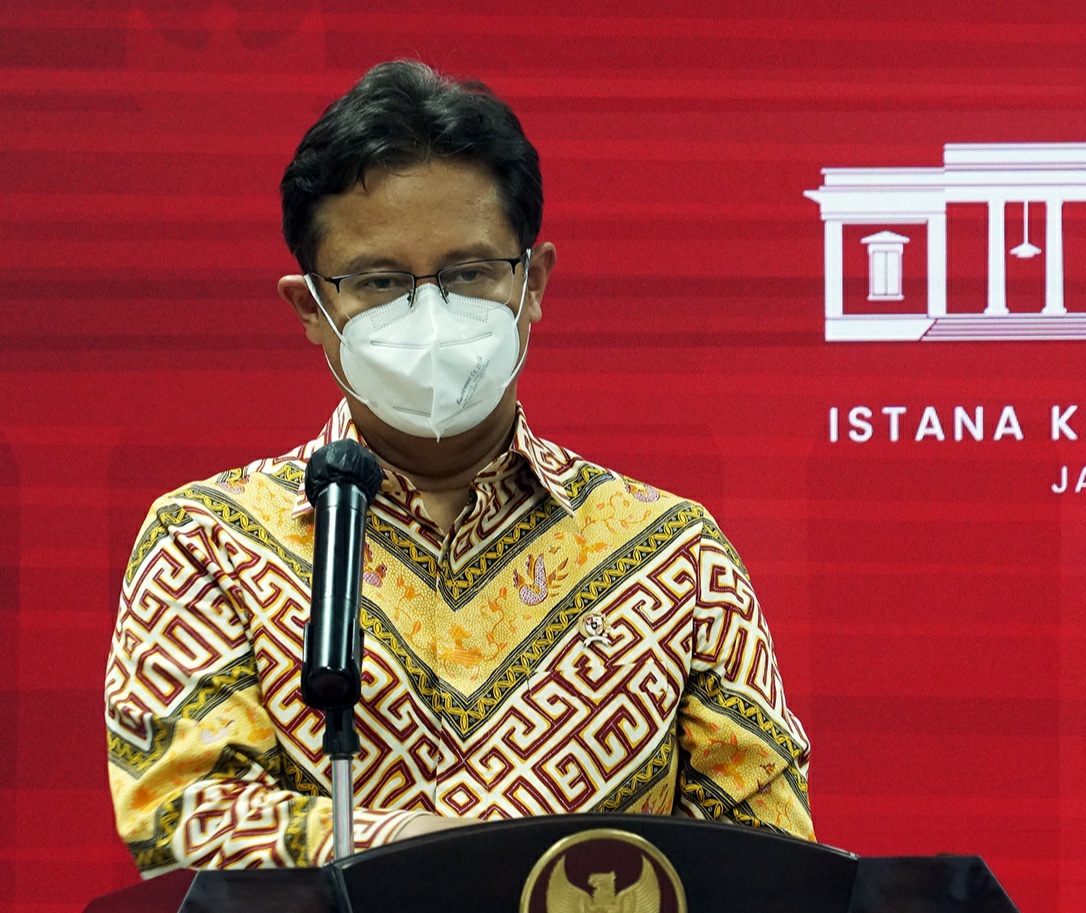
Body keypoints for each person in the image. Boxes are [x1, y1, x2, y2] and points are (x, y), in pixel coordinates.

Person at [104, 60, 812, 874]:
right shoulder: (209, 541)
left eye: (469, 273)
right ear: (311, 308)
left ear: (532, 283)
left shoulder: (674, 553)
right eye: (379, 281)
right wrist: (433, 860)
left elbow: (771, 856)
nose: (431, 315)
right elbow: (182, 821)